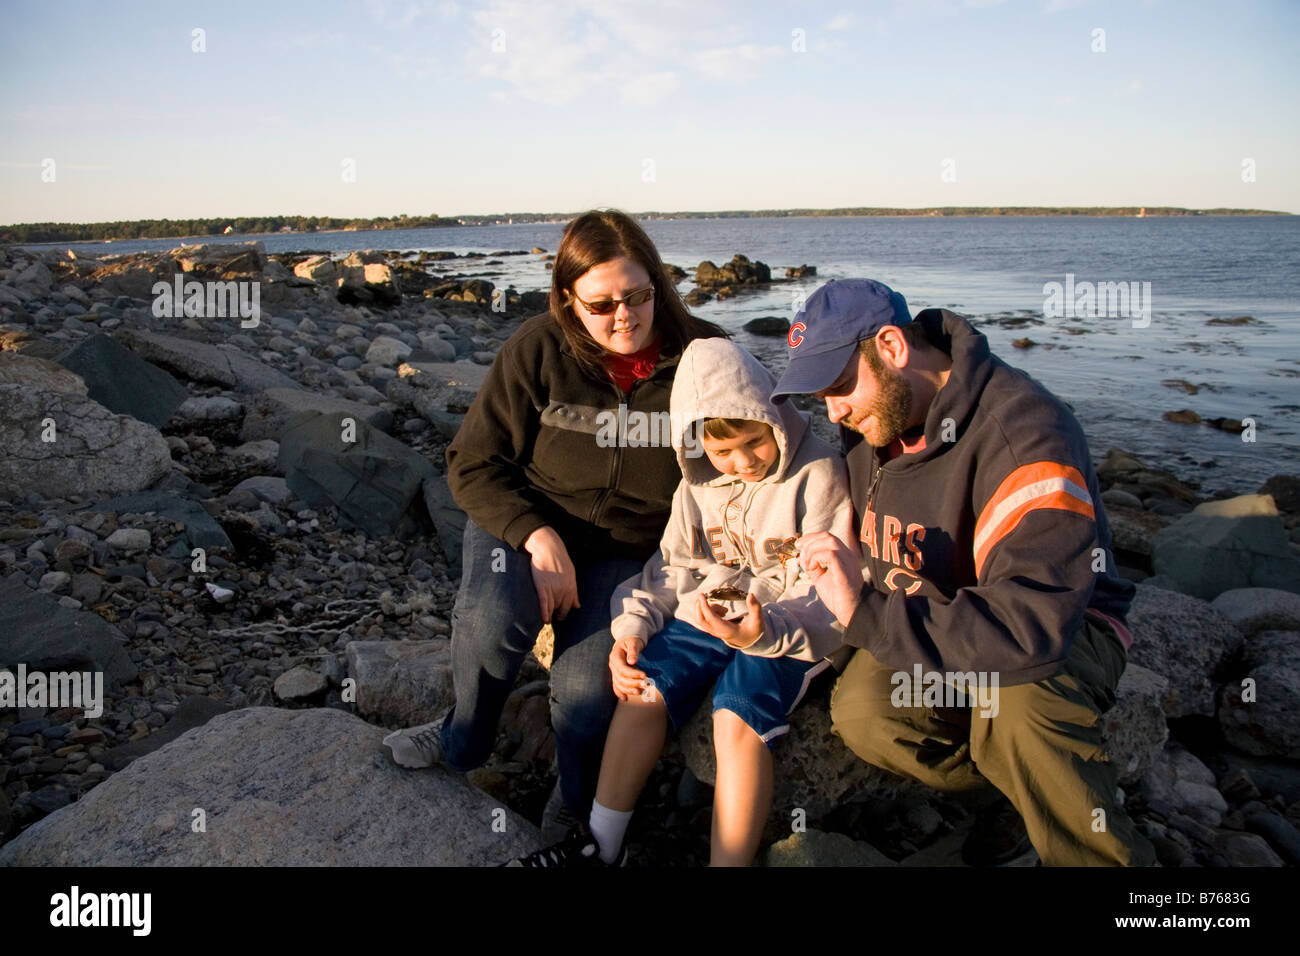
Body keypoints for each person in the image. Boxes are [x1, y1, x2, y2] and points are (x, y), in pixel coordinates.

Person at [774, 278, 1157, 867]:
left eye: (839, 386)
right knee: (868, 714)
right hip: (935, 616)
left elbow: (1031, 624)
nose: (833, 411)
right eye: (819, 395)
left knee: (1020, 707)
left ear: (893, 347)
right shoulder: (876, 415)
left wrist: (864, 614)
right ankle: (1017, 799)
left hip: (1061, 624)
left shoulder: (1025, 434)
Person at [383, 210, 727, 836]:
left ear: (658, 284)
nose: (624, 316)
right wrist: (536, 536)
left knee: (588, 692)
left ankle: (575, 802)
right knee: (491, 622)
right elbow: (472, 462)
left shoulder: (704, 356)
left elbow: (753, 455)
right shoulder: (537, 348)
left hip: (630, 551)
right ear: (568, 300)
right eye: (601, 305)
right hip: (525, 522)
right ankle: (462, 739)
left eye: (639, 295)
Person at [505, 337, 853, 866]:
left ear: (774, 418)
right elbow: (674, 566)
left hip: (787, 627)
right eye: (722, 452)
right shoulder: (698, 483)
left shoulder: (820, 473)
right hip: (711, 609)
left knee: (734, 716)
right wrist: (633, 630)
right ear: (697, 447)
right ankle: (602, 845)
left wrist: (766, 633)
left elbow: (831, 590)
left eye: (754, 442)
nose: (742, 463)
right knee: (643, 686)